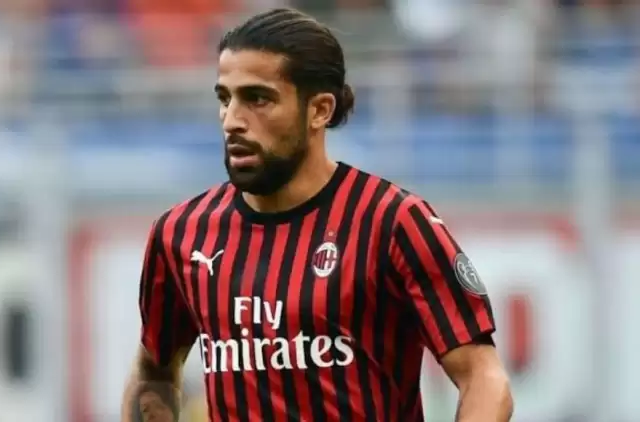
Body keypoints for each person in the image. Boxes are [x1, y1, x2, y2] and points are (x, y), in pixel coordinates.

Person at [121, 8, 513, 422]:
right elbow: (154, 374)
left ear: (320, 110)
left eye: (258, 99)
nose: (232, 120)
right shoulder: (181, 234)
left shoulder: (393, 222)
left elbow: (484, 379)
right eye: (225, 98)